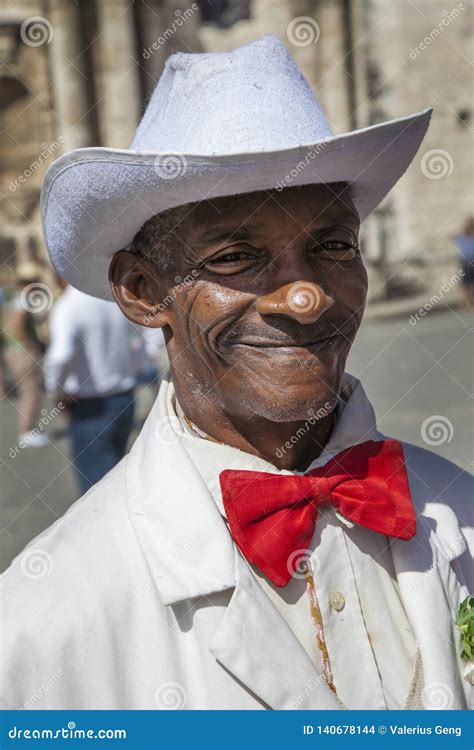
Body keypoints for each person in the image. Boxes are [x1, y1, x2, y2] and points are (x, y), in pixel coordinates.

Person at [1, 36, 472, 710]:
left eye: (333, 245)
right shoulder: (43, 627)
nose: (305, 296)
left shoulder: (460, 510)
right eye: (234, 256)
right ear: (141, 290)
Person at [44, 282, 145, 492]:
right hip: (124, 397)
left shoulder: (69, 306)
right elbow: (141, 342)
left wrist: (57, 393)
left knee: (97, 490)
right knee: (116, 475)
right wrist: (130, 370)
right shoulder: (117, 302)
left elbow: (60, 356)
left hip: (90, 406)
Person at [3, 263, 51, 448]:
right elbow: (18, 323)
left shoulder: (15, 296)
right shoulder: (23, 298)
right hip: (22, 351)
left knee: (28, 391)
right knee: (30, 392)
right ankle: (27, 430)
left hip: (14, 350)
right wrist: (30, 344)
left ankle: (28, 429)